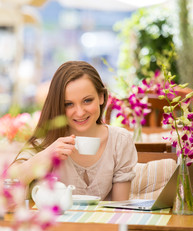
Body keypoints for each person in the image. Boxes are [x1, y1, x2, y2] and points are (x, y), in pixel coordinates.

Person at [12, 61, 137, 201]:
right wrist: (46, 155)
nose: (79, 112)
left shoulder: (120, 141)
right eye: (68, 104)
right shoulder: (46, 142)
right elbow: (6, 185)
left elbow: (120, 208)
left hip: (104, 223)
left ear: (101, 97)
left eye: (87, 100)